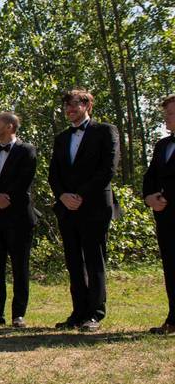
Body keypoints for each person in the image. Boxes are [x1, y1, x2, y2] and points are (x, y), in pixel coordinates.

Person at [48, 89, 120, 332]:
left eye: (74, 105)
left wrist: (81, 195)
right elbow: (54, 173)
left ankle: (95, 313)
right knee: (74, 263)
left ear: (87, 105)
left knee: (94, 260)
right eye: (66, 106)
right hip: (67, 208)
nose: (69, 110)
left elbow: (108, 169)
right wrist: (63, 195)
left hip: (94, 206)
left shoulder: (105, 131)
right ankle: (78, 312)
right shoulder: (61, 138)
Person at [0, 112, 38, 328]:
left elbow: (22, 184)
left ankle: (18, 315)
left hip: (18, 218)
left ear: (10, 126)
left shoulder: (27, 150)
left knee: (20, 267)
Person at [143, 94, 175, 335]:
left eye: (171, 113)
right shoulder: (163, 145)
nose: (167, 117)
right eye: (166, 113)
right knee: (171, 266)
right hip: (164, 216)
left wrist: (168, 196)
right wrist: (149, 196)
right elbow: (151, 175)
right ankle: (173, 318)